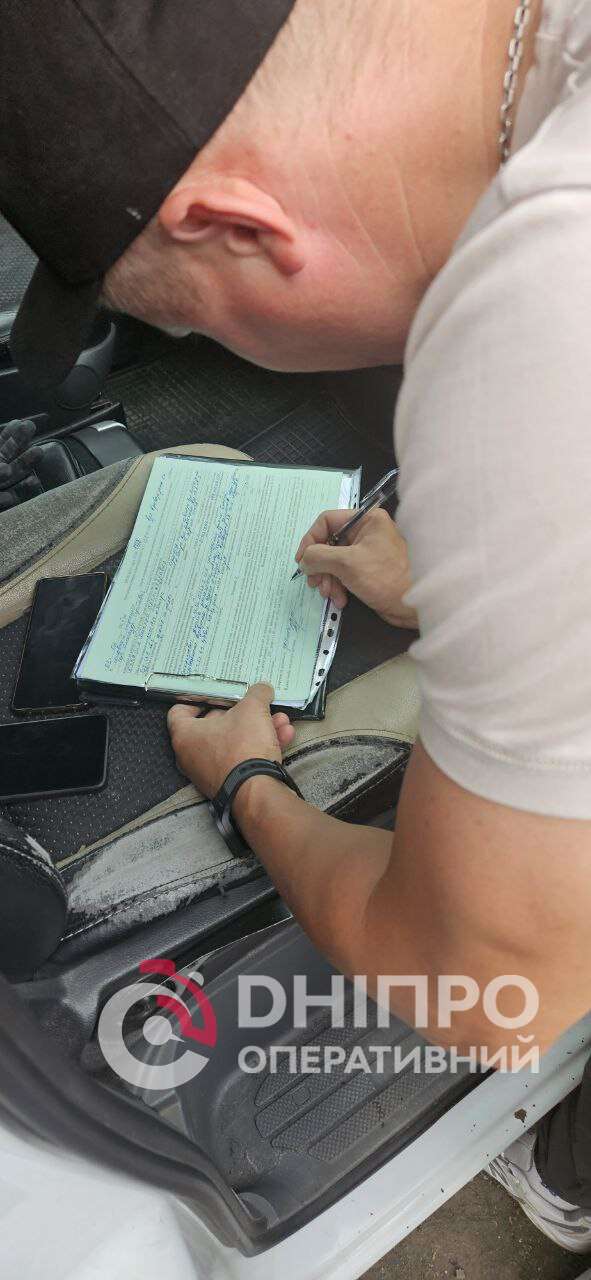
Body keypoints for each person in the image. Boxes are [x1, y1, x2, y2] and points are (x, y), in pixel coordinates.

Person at [3, 0, 591, 1261]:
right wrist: (451, 593)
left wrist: (248, 786)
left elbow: (486, 986)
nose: (202, 343)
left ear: (238, 225)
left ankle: (568, 1174)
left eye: (193, 322)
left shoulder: (541, 313)